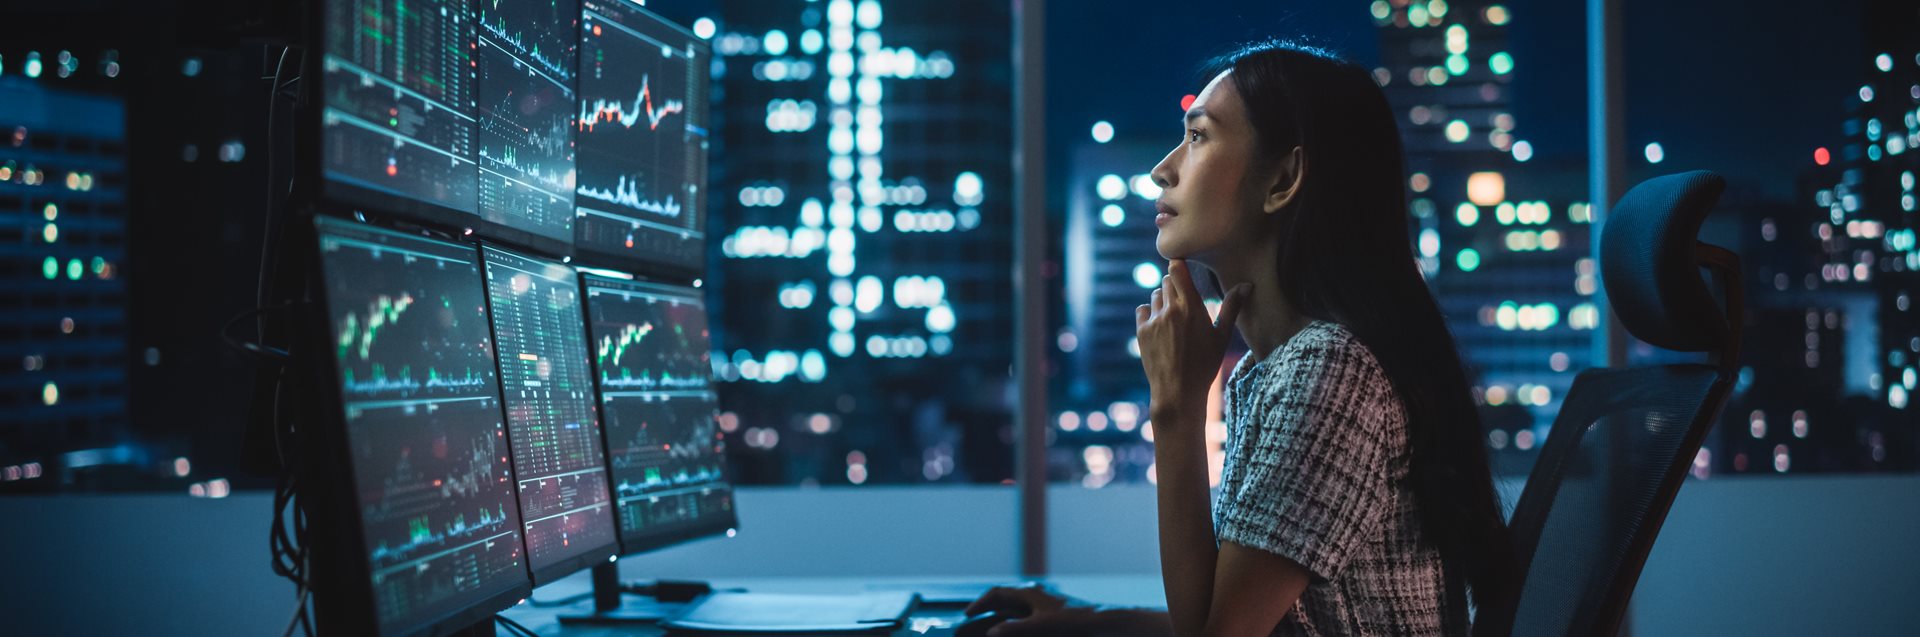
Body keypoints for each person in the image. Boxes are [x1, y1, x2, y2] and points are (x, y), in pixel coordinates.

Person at [965, 39, 1516, 636]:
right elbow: (1243, 618)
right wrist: (1086, 620)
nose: (1163, 169)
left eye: (1198, 136)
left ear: (1282, 179)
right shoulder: (1280, 367)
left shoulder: (1330, 373)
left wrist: (1175, 407)